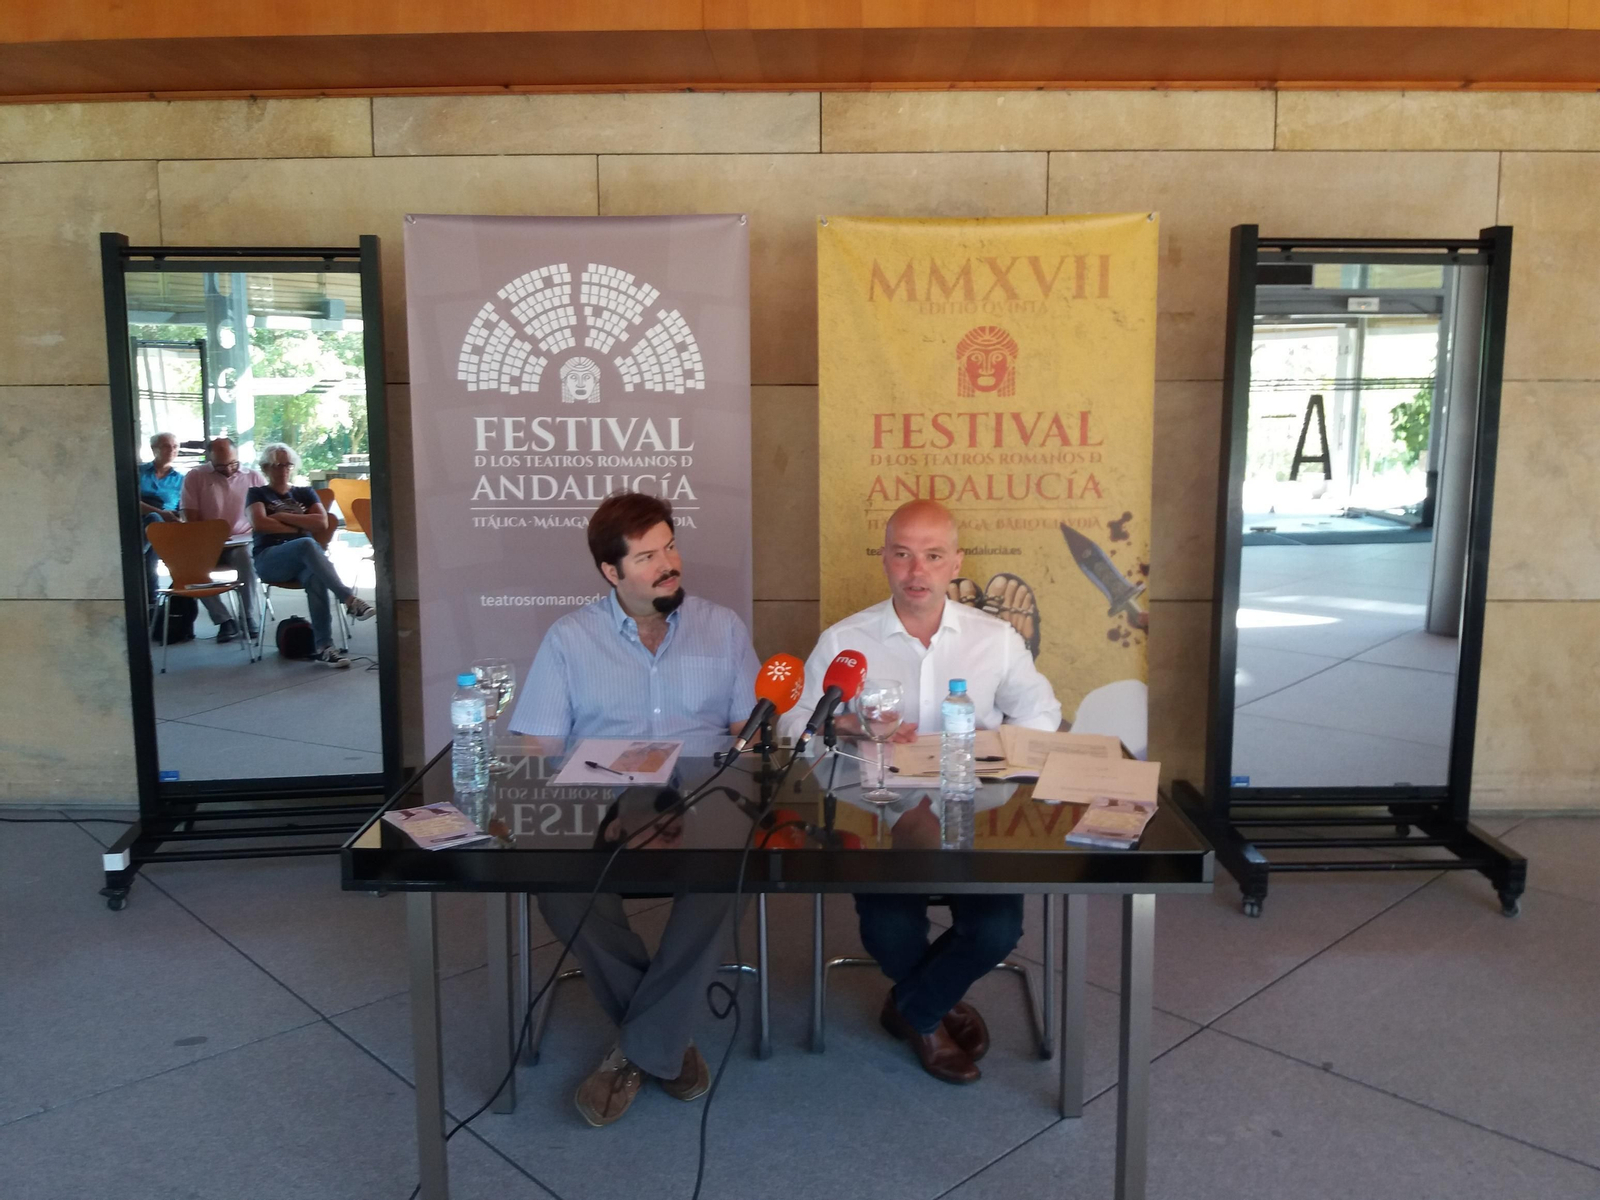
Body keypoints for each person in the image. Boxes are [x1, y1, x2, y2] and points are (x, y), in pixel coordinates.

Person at [783, 499, 1061, 1085]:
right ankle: (935, 1010)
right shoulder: (845, 640)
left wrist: (993, 746)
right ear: (884, 558)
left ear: (955, 561)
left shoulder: (996, 638)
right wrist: (849, 725)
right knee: (888, 929)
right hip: (877, 811)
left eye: (933, 556)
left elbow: (1042, 714)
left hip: (976, 811)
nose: (917, 572)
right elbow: (792, 727)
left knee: (996, 930)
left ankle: (915, 1010)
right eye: (903, 554)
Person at [505, 491, 760, 1128]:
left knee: (726, 877)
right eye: (647, 556)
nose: (668, 564)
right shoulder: (569, 638)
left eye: (670, 546)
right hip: (600, 794)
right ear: (611, 573)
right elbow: (537, 747)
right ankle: (664, 1040)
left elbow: (749, 736)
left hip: (703, 791)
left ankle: (638, 1049)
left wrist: (754, 748)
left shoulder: (722, 626)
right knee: (560, 891)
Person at [246, 443, 374, 668]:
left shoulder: (304, 492)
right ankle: (349, 598)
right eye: (278, 464)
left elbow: (321, 522)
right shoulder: (257, 493)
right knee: (306, 542)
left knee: (315, 576)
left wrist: (282, 516)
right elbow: (259, 523)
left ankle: (325, 647)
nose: (284, 469)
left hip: (302, 559)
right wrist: (301, 527)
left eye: (288, 464)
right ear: (266, 468)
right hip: (270, 558)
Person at [180, 437, 267, 643]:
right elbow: (189, 517)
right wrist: (210, 535)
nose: (228, 469)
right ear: (209, 459)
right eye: (221, 466)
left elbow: (266, 514)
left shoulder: (253, 477)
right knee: (187, 567)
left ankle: (247, 616)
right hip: (207, 542)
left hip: (241, 540)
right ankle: (224, 620)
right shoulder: (195, 477)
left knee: (246, 556)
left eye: (233, 464)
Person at [137, 431, 185, 610]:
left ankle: (152, 602)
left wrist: (172, 517)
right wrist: (160, 513)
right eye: (166, 446)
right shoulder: (139, 472)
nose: (172, 450)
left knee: (156, 525)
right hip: (139, 523)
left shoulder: (181, 479)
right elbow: (131, 501)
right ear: (154, 449)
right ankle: (152, 603)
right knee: (154, 518)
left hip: (167, 528)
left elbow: (183, 509)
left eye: (175, 446)